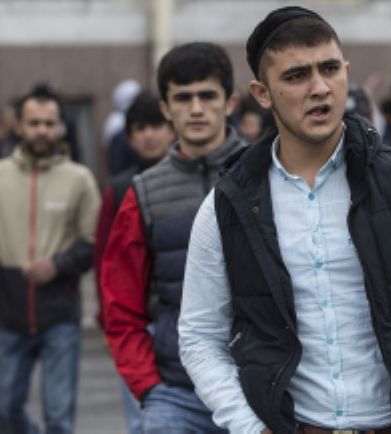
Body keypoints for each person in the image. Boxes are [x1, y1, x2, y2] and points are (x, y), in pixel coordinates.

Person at [179, 7, 391, 434]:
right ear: (262, 93)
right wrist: (249, 427)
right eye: (296, 76)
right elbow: (199, 336)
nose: (320, 88)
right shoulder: (229, 204)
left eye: (329, 69)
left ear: (346, 72)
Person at [101, 42, 245, 434]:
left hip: (257, 390)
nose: (196, 108)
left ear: (230, 102)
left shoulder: (268, 174)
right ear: (166, 108)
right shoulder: (143, 193)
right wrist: (149, 386)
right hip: (176, 392)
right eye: (183, 98)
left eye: (207, 96)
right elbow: (121, 305)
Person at [0, 87, 100, 433]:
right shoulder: (1, 176)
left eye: (49, 123)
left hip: (60, 315)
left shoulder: (79, 179)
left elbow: (93, 243)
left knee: (59, 418)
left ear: (60, 127)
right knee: (4, 410)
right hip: (8, 315)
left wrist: (57, 265)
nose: (42, 130)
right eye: (34, 123)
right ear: (18, 126)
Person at [94, 91, 174, 434]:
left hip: (181, 317)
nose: (150, 135)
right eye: (141, 128)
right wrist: (106, 318)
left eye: (156, 126)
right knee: (141, 417)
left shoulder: (194, 179)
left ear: (171, 129)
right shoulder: (118, 189)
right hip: (137, 321)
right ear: (129, 137)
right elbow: (104, 260)